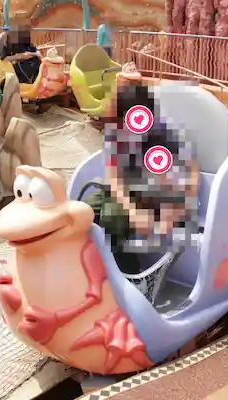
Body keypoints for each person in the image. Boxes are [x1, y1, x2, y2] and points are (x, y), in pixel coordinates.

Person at [79, 84, 200, 275]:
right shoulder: (115, 135)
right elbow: (114, 177)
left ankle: (128, 275)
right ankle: (94, 267)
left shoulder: (167, 135)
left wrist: (174, 211)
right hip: (130, 189)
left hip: (162, 194)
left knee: (112, 217)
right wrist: (133, 211)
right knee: (83, 212)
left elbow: (190, 175)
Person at [0, 13, 42, 84]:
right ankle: (29, 82)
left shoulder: (24, 38)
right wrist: (18, 56)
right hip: (16, 64)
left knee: (37, 61)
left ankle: (34, 82)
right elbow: (4, 58)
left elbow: (36, 52)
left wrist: (30, 54)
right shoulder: (5, 41)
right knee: (24, 66)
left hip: (28, 61)